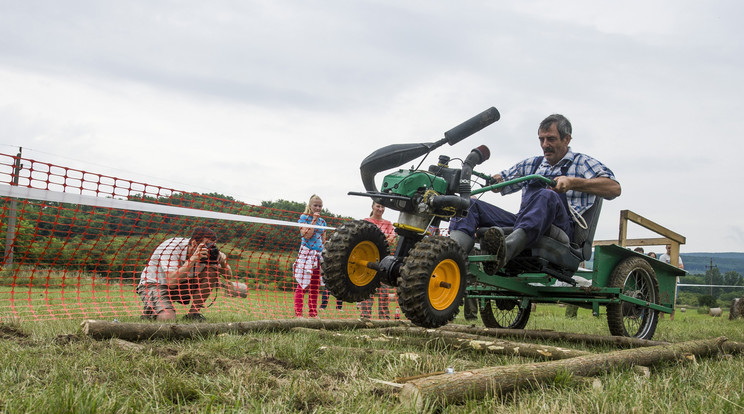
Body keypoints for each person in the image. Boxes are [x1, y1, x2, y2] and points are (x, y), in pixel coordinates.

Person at [449, 114, 622, 272]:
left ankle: (504, 252)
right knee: (469, 205)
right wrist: (497, 181)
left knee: (547, 194)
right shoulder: (532, 164)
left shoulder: (582, 163)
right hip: (523, 223)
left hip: (560, 230)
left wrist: (572, 182)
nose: (545, 145)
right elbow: (502, 182)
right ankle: (452, 259)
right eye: (542, 139)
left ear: (567, 139)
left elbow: (614, 188)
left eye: (551, 139)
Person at [137, 226, 232, 321]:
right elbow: (172, 281)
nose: (210, 247)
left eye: (212, 245)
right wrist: (194, 259)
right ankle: (151, 311)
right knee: (167, 319)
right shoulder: (171, 246)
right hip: (155, 284)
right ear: (194, 243)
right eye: (207, 244)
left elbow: (229, 276)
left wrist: (223, 262)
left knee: (212, 271)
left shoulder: (208, 252)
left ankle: (193, 315)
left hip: (181, 285)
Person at [293, 194, 340, 317]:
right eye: (315, 205)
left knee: (315, 286)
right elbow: (306, 235)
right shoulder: (304, 218)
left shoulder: (323, 222)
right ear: (310, 205)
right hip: (306, 253)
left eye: (320, 206)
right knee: (302, 283)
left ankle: (313, 313)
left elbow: (323, 240)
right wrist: (313, 219)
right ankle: (298, 313)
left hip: (318, 255)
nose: (318, 208)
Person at [358, 201, 396, 319]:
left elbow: (392, 239)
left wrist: (377, 239)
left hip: (384, 261)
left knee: (384, 293)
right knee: (367, 291)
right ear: (372, 206)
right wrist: (382, 238)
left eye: (382, 206)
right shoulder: (365, 221)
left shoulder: (388, 223)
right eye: (378, 206)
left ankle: (384, 318)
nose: (380, 209)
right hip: (368, 261)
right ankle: (365, 317)